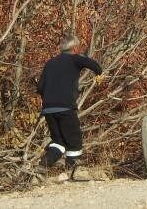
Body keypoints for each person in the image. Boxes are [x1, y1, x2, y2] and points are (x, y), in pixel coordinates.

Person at [37, 32, 102, 178]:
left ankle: (43, 165)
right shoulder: (75, 59)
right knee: (74, 140)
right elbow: (95, 66)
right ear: (75, 49)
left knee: (58, 141)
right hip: (65, 108)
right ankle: (72, 172)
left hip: (48, 110)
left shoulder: (50, 63)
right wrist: (99, 75)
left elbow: (40, 87)